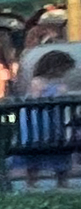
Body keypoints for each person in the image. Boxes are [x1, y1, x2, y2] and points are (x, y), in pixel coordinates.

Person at [16, 48, 76, 190]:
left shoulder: (47, 82)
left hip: (49, 125)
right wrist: (57, 93)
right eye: (63, 70)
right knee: (43, 151)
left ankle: (57, 181)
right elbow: (38, 99)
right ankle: (35, 181)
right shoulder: (38, 82)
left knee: (57, 150)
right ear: (53, 68)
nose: (64, 74)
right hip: (41, 126)